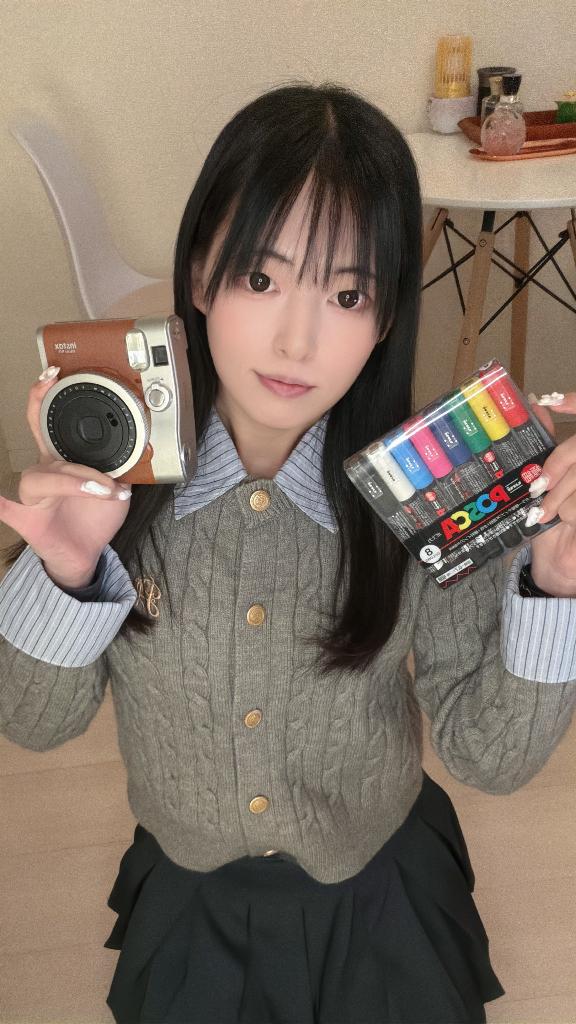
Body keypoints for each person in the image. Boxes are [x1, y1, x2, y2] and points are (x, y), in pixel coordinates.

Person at [1, 81, 576, 1024]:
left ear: (386, 317)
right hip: (192, 901)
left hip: (379, 897)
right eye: (261, 280)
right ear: (199, 275)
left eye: (348, 294)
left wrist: (555, 584)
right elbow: (32, 724)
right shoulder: (116, 480)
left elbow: (489, 756)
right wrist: (64, 575)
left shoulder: (435, 484)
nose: (298, 339)